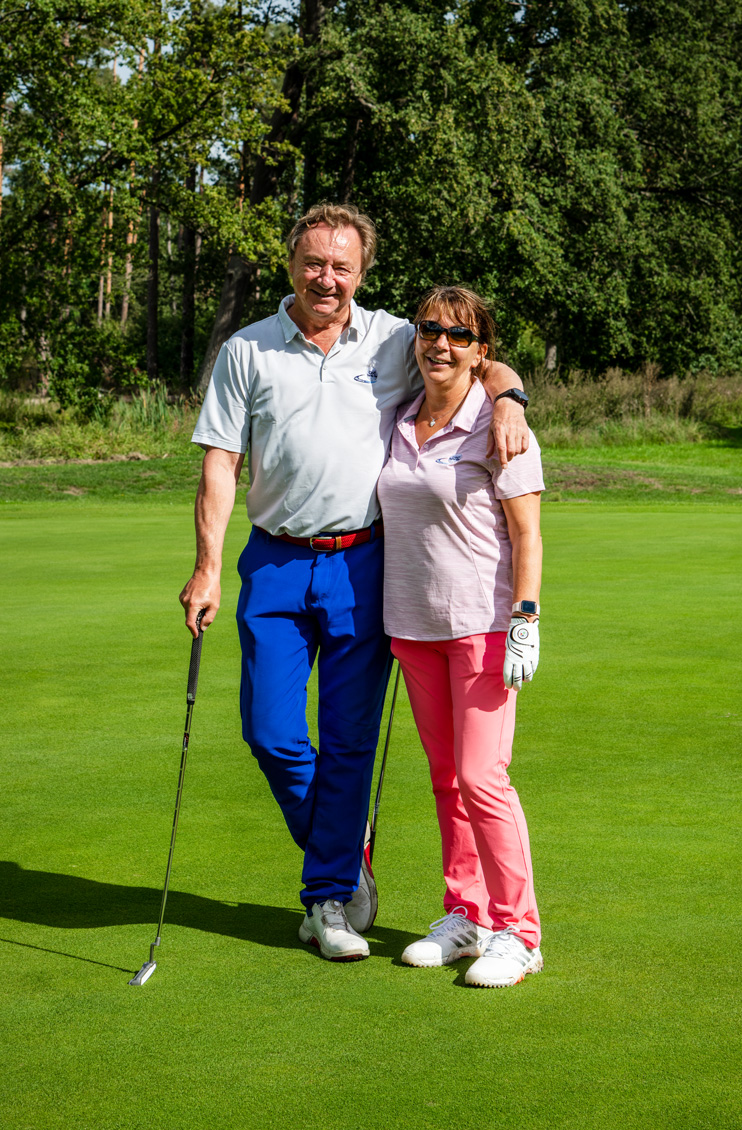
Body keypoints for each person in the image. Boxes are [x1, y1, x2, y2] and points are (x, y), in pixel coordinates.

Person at [179, 205, 530, 963]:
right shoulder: (246, 349)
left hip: (363, 564)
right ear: (291, 266)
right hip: (273, 560)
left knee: (347, 741)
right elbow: (220, 462)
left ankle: (328, 898)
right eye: (313, 263)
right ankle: (344, 840)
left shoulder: (394, 338)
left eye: (342, 267)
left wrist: (509, 398)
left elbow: (481, 357)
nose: (326, 279)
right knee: (271, 734)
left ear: (361, 273)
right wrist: (207, 566)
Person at [377, 285, 544, 988]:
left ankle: (519, 932)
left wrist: (525, 618)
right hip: (412, 626)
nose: (440, 344)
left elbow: (528, 533)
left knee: (482, 779)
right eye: (429, 330)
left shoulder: (500, 425)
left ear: (482, 352)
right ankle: (465, 914)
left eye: (459, 335)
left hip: (481, 626)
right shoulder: (396, 416)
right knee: (446, 781)